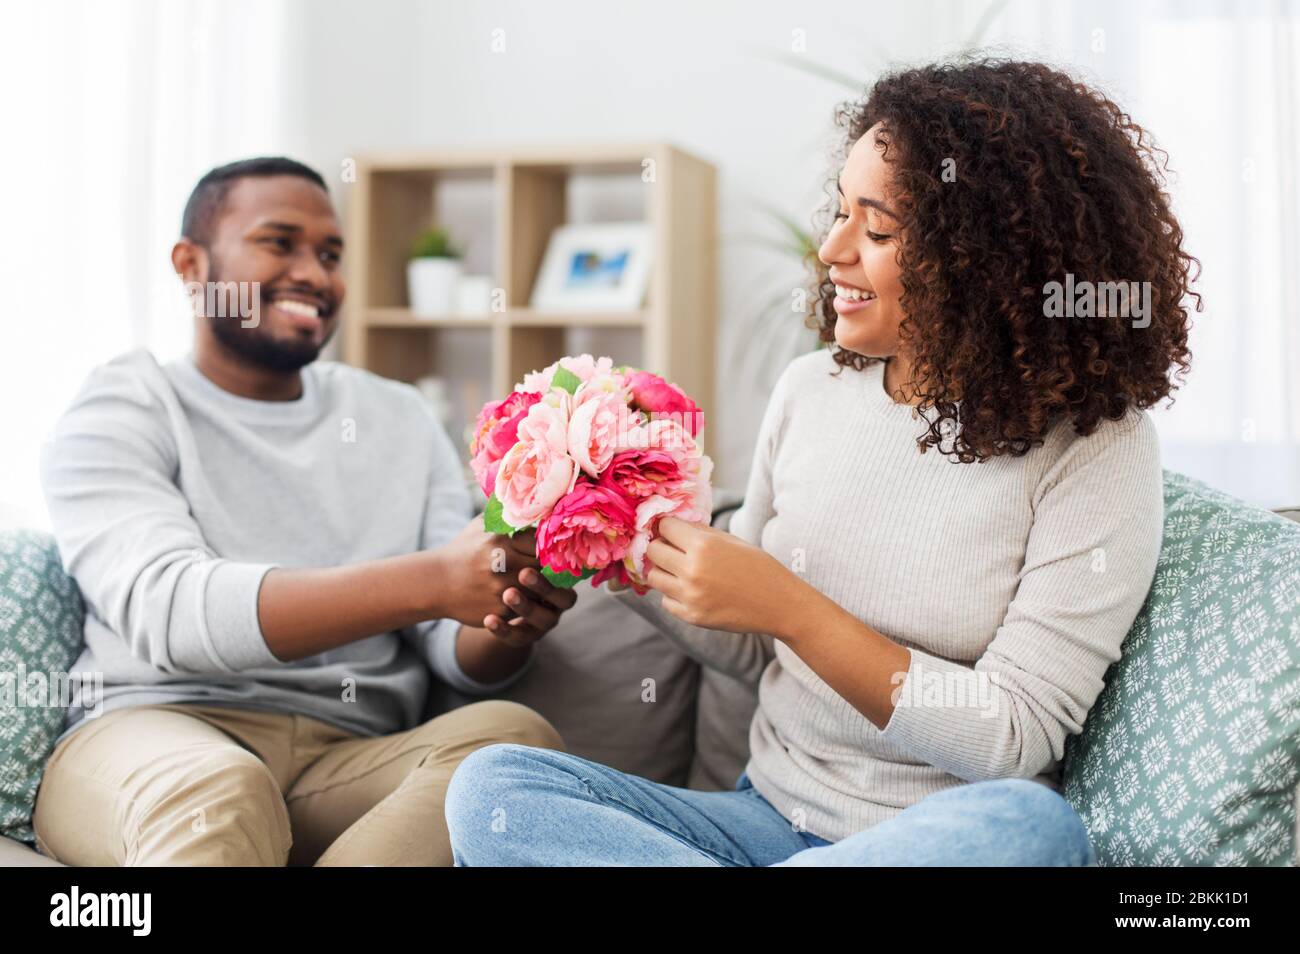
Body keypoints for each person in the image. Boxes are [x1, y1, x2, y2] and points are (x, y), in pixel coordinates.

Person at [444, 58, 1197, 866]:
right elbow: (751, 644)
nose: (831, 249)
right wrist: (607, 525)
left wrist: (793, 606)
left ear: (989, 261)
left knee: (1029, 830)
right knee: (494, 788)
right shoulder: (810, 391)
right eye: (839, 212)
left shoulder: (1095, 446)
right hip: (757, 825)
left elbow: (1013, 734)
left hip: (927, 843)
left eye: (877, 230)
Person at [35, 157, 575, 866]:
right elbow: (172, 614)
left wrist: (508, 611)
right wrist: (438, 580)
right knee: (222, 792)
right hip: (155, 730)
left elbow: (453, 651)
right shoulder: (124, 406)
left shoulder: (398, 417)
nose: (315, 275)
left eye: (330, 254)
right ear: (191, 264)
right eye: (278, 242)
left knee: (514, 741)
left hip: (344, 756)